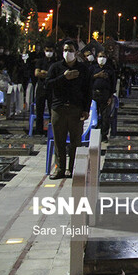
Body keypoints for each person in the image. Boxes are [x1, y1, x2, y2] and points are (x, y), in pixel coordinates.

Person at [46, 41, 91, 179]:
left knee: (75, 141)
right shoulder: (55, 67)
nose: (67, 52)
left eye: (70, 50)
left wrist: (86, 109)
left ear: (76, 52)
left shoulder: (83, 69)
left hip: (75, 109)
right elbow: (48, 85)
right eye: (65, 50)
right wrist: (63, 77)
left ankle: (73, 169)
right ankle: (60, 169)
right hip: (58, 108)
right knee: (59, 141)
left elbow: (87, 90)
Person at [89, 51, 116, 142]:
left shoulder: (109, 70)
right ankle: (92, 134)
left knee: (105, 116)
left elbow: (113, 84)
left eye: (103, 57)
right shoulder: (92, 68)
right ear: (97, 57)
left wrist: (111, 97)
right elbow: (88, 79)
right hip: (94, 94)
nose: (102, 58)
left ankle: (104, 135)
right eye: (100, 56)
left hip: (105, 95)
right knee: (93, 115)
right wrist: (97, 76)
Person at [34, 43, 56, 136]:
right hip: (41, 88)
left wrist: (45, 73)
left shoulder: (55, 62)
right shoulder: (40, 61)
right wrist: (48, 74)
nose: (49, 53)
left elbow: (55, 74)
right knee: (39, 110)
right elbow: (37, 73)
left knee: (52, 110)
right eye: (47, 50)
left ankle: (52, 130)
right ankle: (39, 130)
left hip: (51, 89)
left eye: (50, 51)